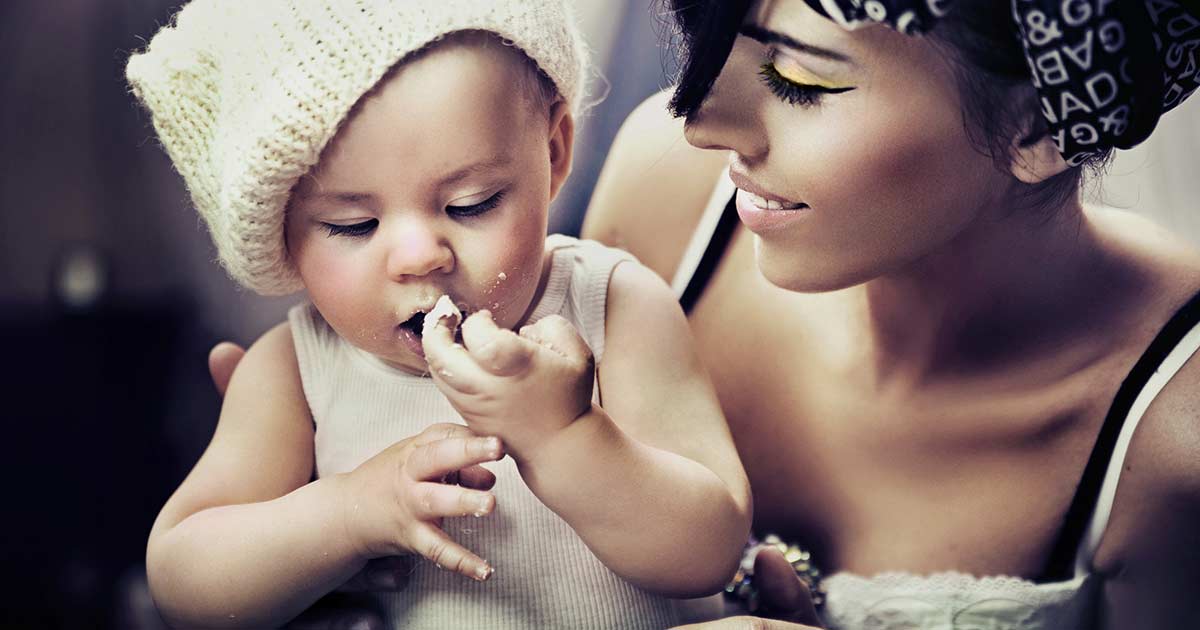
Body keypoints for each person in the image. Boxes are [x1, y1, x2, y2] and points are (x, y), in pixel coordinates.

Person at [125, 1, 751, 628]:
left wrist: (566, 438)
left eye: (472, 204)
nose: (420, 256)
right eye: (354, 225)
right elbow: (183, 581)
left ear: (553, 151)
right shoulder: (294, 372)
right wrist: (345, 514)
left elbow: (709, 550)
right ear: (283, 234)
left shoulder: (614, 304)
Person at [581, 0, 1200, 628]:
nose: (701, 124)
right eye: (718, 47)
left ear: (1037, 124)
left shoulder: (1177, 431)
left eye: (799, 79)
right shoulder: (666, 196)